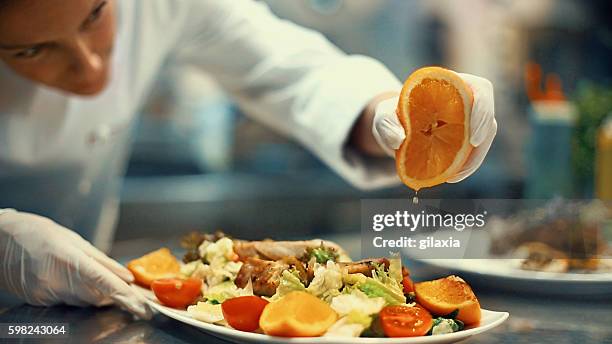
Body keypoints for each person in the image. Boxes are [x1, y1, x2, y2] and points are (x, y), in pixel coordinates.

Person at [0, 0, 497, 319]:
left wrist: (385, 116)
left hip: (95, 309)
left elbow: (287, 69)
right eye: (29, 51)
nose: (89, 68)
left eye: (95, 15)